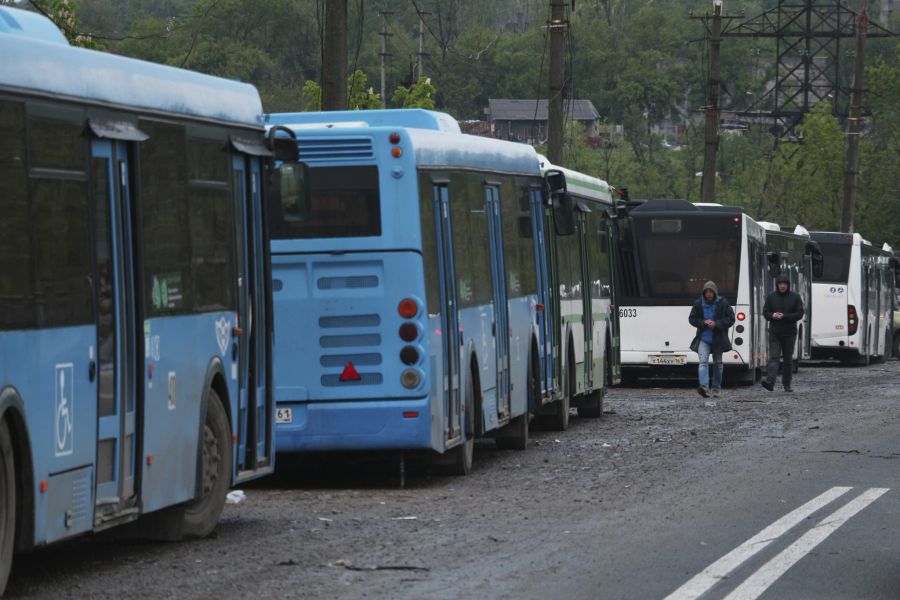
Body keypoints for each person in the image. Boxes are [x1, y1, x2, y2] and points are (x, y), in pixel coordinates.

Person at [689, 281, 735, 398]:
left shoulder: (722, 303)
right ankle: (704, 387)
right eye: (706, 292)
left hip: (718, 339)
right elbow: (692, 319)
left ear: (715, 292)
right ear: (703, 293)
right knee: (703, 362)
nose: (709, 294)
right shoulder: (698, 303)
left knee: (718, 364)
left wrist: (717, 323)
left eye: (711, 292)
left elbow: (731, 319)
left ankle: (716, 388)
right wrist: (703, 322)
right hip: (704, 338)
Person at [761, 273, 804, 392]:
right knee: (774, 357)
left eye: (784, 284)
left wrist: (785, 316)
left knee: (787, 359)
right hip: (775, 332)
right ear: (777, 285)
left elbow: (800, 313)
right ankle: (770, 382)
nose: (782, 286)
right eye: (780, 284)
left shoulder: (795, 297)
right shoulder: (771, 297)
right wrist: (772, 315)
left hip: (790, 333)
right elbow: (765, 312)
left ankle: (787, 384)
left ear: (788, 285)